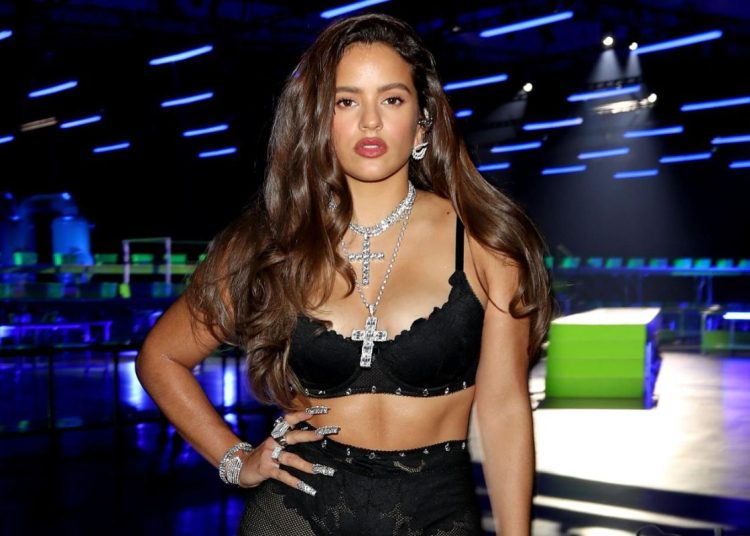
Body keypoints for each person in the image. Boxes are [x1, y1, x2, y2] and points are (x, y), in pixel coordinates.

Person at [136, 12, 552, 536]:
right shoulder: (271, 242)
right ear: (319, 120)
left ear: (422, 122)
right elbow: (161, 357)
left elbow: (504, 409)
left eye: (392, 99)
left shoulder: (485, 242)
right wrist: (235, 460)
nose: (370, 121)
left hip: (436, 518)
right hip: (293, 517)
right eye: (346, 101)